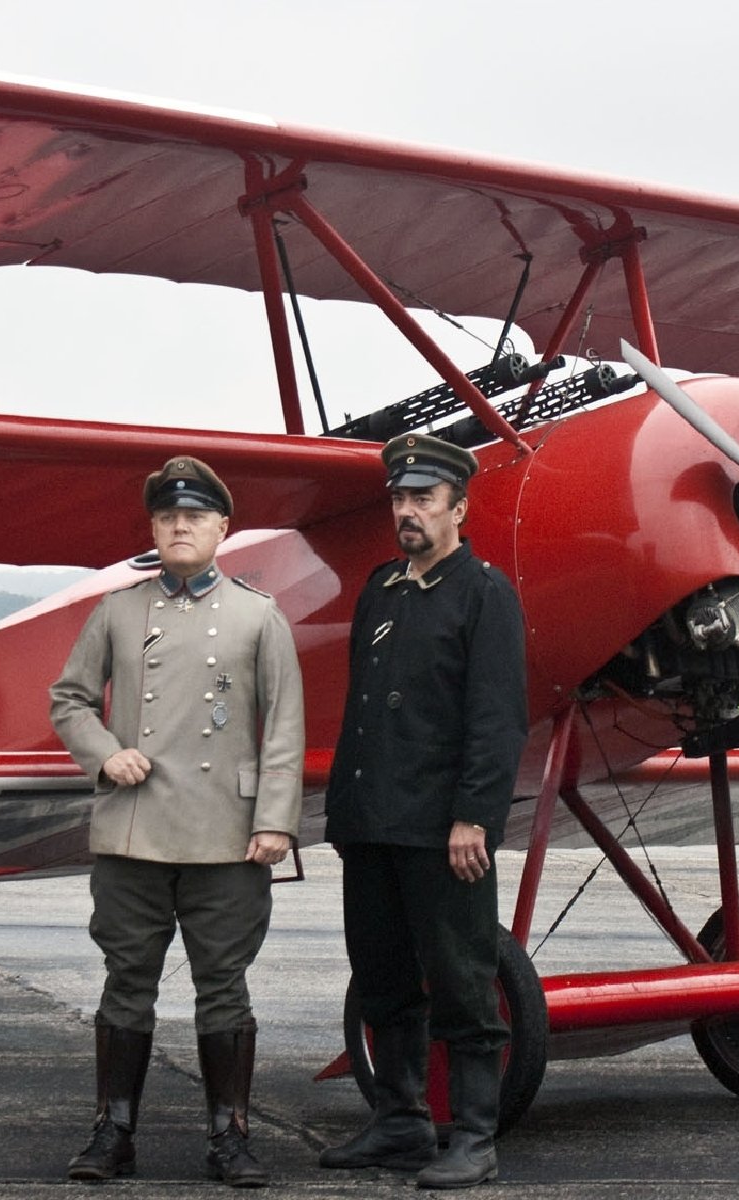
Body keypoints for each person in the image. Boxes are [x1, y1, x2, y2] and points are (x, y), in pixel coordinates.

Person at [50, 455, 305, 1188]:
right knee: (127, 981)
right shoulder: (118, 611)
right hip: (134, 830)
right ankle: (113, 1133)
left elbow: (284, 726)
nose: (181, 525)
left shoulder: (260, 616)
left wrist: (276, 822)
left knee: (224, 984)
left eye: (195, 516)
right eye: (168, 517)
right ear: (154, 529)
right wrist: (104, 754)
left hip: (226, 835)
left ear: (223, 529)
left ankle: (231, 1137)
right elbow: (68, 699)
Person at [318, 432, 528, 1190]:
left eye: (424, 500)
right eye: (400, 499)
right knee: (382, 979)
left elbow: (497, 718)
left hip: (444, 832)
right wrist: (346, 814)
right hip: (372, 822)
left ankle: (474, 1134)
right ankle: (401, 1122)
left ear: (458, 509)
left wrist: (475, 815)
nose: (407, 512)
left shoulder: (485, 593)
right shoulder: (383, 588)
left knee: (464, 981)